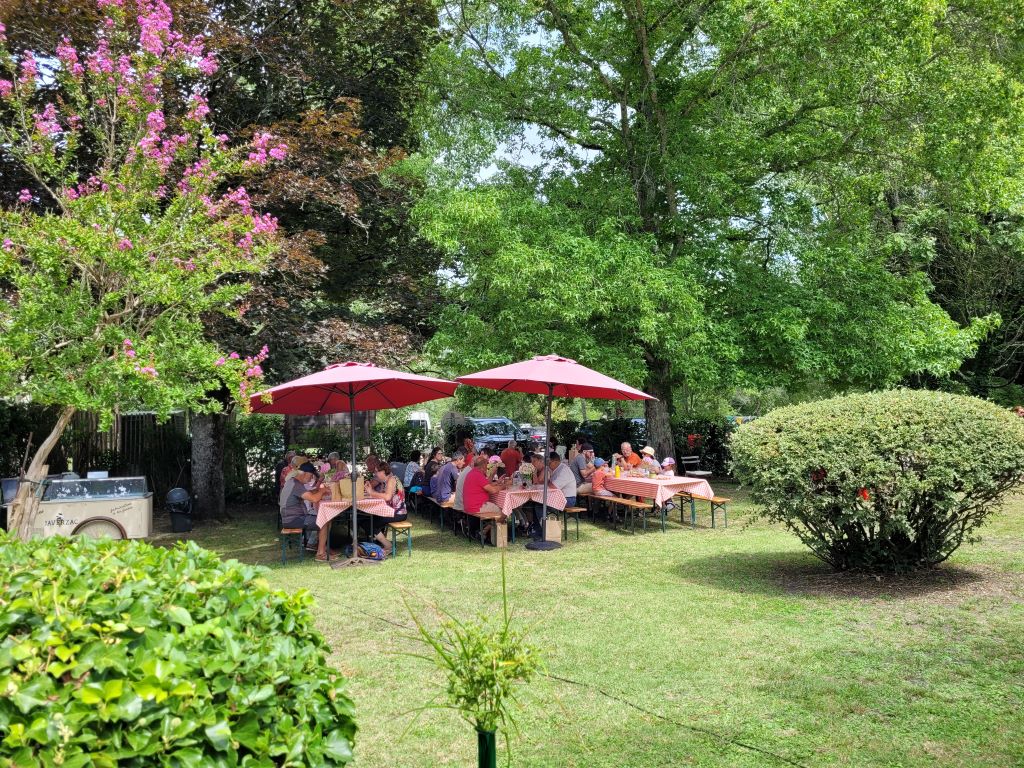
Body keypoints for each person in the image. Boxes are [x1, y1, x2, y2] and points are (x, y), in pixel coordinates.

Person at [280, 462, 331, 560]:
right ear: (304, 473)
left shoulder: (293, 482)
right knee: (325, 521)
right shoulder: (296, 485)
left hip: (290, 518)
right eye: (311, 475)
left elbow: (307, 494)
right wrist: (322, 491)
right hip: (293, 520)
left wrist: (317, 491)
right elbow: (314, 499)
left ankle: (322, 548)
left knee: (322, 518)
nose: (311, 479)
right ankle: (320, 554)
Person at [463, 455, 510, 541]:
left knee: (500, 507)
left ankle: (488, 531)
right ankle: (484, 532)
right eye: (487, 465)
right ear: (483, 466)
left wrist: (496, 481)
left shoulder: (472, 473)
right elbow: (492, 490)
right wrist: (504, 486)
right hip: (478, 506)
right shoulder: (478, 475)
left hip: (469, 505)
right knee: (505, 511)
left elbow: (486, 484)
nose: (487, 467)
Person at [364, 463, 405, 555]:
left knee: (368, 523)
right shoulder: (388, 481)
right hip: (392, 512)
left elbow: (387, 497)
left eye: (376, 472)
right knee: (368, 520)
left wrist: (371, 492)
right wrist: (371, 491)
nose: (376, 474)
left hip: (398, 513)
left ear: (382, 472)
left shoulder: (391, 480)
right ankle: (381, 542)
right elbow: (381, 496)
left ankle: (388, 545)